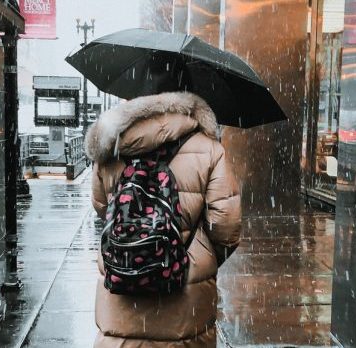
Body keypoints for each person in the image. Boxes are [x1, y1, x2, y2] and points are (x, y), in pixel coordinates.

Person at [86, 90, 242, 347]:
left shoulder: (110, 146)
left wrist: (135, 240)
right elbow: (226, 227)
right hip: (185, 307)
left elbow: (102, 208)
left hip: (121, 294)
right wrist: (195, 256)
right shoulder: (209, 149)